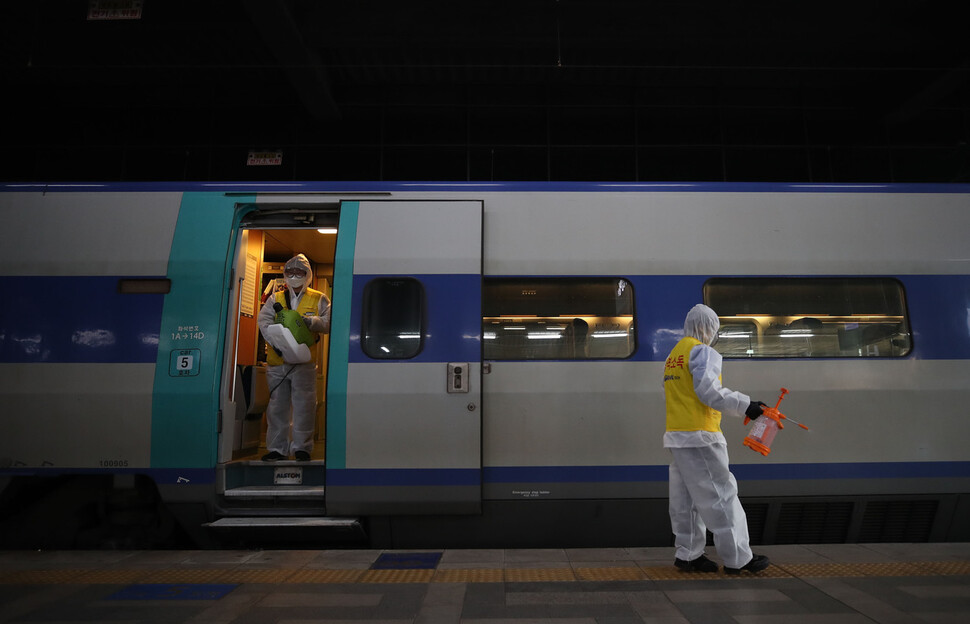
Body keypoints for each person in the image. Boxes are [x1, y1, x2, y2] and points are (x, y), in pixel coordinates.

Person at [662, 303, 770, 574]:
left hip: (678, 436)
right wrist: (747, 405)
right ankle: (739, 559)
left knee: (685, 500)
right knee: (721, 495)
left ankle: (688, 554)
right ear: (710, 328)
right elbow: (709, 391)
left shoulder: (674, 355)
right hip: (701, 436)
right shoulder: (703, 351)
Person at [257, 254, 331, 462]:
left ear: (308, 275)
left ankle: (302, 448)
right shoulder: (275, 298)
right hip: (277, 361)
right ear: (285, 275)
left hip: (304, 362)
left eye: (299, 273)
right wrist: (277, 343)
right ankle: (277, 449)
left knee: (304, 406)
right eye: (290, 273)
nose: (294, 276)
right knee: (277, 407)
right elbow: (263, 322)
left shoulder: (319, 298)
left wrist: (311, 322)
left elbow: (329, 323)